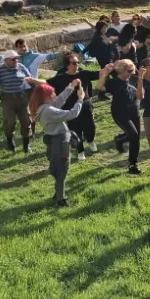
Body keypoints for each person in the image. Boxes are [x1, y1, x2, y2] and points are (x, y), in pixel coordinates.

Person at [30, 79, 85, 207]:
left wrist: (71, 86)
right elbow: (72, 114)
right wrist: (80, 100)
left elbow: (59, 100)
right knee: (62, 171)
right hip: (60, 142)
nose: (55, 95)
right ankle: (61, 200)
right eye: (52, 93)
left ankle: (58, 193)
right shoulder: (48, 111)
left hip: (54, 141)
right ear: (46, 97)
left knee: (58, 168)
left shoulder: (43, 107)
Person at [0, 50, 39, 153]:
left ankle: (26, 146)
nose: (16, 61)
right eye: (13, 59)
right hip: (8, 100)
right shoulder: (0, 71)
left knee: (26, 121)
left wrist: (37, 91)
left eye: (17, 58)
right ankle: (10, 143)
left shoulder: (21, 67)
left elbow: (31, 80)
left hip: (22, 98)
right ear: (6, 60)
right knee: (10, 122)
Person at [47, 55, 101, 161]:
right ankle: (80, 151)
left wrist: (110, 68)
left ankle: (90, 140)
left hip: (85, 106)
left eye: (78, 62)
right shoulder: (60, 78)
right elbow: (45, 84)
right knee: (76, 130)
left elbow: (99, 73)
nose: (77, 65)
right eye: (74, 63)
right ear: (67, 65)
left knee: (90, 128)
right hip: (70, 109)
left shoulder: (84, 74)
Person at [97, 59, 142, 175]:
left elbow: (140, 96)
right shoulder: (114, 82)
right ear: (121, 70)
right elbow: (100, 87)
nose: (132, 73)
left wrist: (141, 79)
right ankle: (132, 165)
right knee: (133, 134)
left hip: (134, 111)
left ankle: (121, 140)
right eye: (129, 71)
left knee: (136, 137)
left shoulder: (133, 79)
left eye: (132, 70)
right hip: (120, 113)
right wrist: (105, 73)